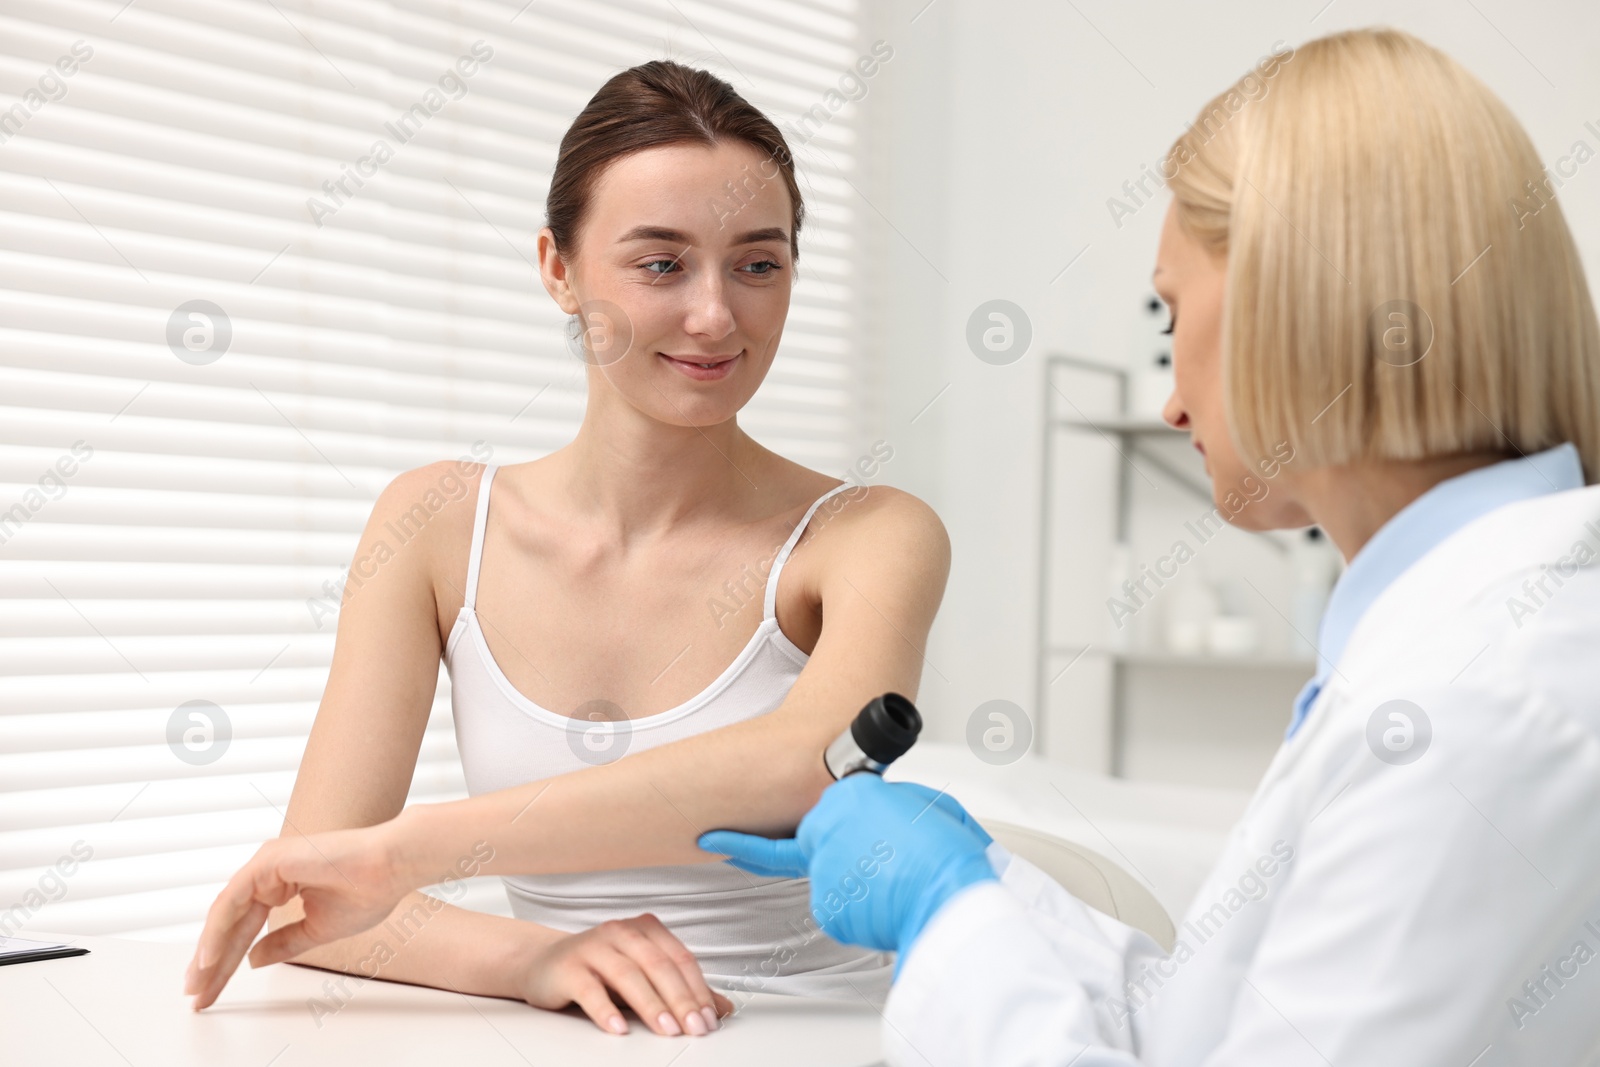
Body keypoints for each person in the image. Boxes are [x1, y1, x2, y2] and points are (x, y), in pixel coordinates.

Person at [702, 28, 1600, 1065]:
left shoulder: (1476, 696)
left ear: (1289, 299)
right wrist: (987, 880)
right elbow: (1207, 1023)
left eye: (1173, 319)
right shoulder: (1472, 632)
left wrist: (942, 914)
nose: (1171, 400)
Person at [182, 60, 950, 1039]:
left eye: (758, 263)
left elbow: (803, 764)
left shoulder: (869, 532)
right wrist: (536, 954)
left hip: (826, 1034)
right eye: (660, 263)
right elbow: (314, 897)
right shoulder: (434, 524)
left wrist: (403, 851)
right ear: (557, 269)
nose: (716, 315)